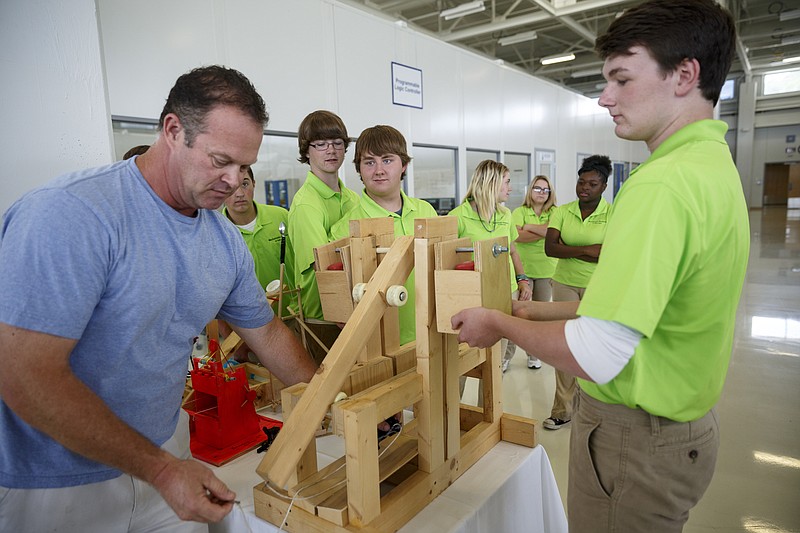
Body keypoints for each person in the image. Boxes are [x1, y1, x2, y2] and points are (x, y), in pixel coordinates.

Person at [452, 0, 748, 530]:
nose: (604, 97)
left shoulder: (660, 185)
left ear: (684, 74)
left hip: (634, 440)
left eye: (621, 78)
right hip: (680, 427)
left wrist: (498, 324)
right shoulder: (712, 166)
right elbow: (625, 315)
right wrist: (531, 311)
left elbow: (598, 352)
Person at [0, 65, 317, 531]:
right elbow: (23, 374)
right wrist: (162, 470)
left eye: (244, 166)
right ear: (173, 130)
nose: (233, 181)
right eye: (220, 160)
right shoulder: (73, 215)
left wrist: (331, 398)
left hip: (165, 459)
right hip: (55, 481)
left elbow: (266, 332)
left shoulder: (222, 240)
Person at [330, 124, 437, 346]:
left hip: (435, 334)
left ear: (404, 165)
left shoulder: (426, 212)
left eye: (387, 160)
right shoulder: (345, 228)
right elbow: (339, 303)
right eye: (369, 162)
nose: (379, 170)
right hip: (381, 347)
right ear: (359, 169)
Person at [541, 155, 611, 430]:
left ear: (603, 186)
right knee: (566, 345)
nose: (585, 188)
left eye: (592, 183)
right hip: (564, 284)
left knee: (596, 345)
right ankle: (562, 409)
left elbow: (610, 254)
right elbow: (550, 248)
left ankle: (596, 408)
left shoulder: (613, 213)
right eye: (581, 182)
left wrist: (570, 249)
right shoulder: (562, 211)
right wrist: (587, 250)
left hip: (599, 286)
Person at [287, 110, 359, 365]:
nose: (331, 150)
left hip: (354, 309)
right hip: (324, 318)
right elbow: (324, 267)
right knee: (330, 397)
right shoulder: (306, 204)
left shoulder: (352, 198)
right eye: (321, 144)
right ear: (307, 151)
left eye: (337, 143)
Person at [448, 160, 532, 377]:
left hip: (504, 289)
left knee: (495, 360)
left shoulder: (505, 214)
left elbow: (511, 249)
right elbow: (447, 261)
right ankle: (456, 410)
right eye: (507, 182)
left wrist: (522, 278)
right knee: (461, 361)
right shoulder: (457, 216)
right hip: (471, 294)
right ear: (491, 183)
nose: (510, 188)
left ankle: (490, 411)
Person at [222, 166, 293, 311]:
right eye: (230, 187)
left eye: (245, 184)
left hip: (293, 311)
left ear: (254, 183)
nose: (240, 194)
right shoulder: (216, 234)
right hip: (251, 326)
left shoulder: (281, 216)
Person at [511, 175, 558, 370]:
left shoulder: (556, 212)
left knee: (540, 315)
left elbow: (553, 232)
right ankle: (507, 356)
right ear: (530, 191)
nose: (541, 193)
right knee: (518, 313)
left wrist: (528, 227)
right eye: (537, 188)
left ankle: (534, 355)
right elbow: (517, 237)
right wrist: (542, 232)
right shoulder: (519, 211)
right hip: (524, 270)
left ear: (550, 193)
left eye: (545, 190)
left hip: (547, 270)